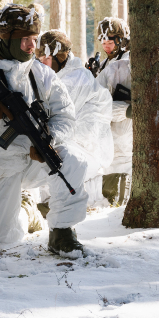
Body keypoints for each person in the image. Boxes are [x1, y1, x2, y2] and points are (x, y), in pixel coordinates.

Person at [0, 3, 88, 257]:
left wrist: (48, 142)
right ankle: (27, 210)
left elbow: (66, 116)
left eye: (34, 39)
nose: (32, 46)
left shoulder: (43, 75)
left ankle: (62, 232)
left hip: (31, 159)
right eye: (25, 40)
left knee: (72, 159)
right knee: (0, 239)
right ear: (7, 39)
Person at [35, 30, 113, 208]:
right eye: (39, 60)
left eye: (46, 59)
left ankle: (59, 203)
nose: (42, 64)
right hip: (79, 144)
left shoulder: (75, 78)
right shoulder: (59, 75)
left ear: (60, 57)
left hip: (88, 146)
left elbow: (57, 115)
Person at [94, 17, 132, 205]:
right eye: (103, 43)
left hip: (123, 134)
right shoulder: (109, 62)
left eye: (110, 42)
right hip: (111, 135)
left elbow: (105, 103)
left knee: (119, 183)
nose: (106, 47)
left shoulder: (124, 64)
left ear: (121, 40)